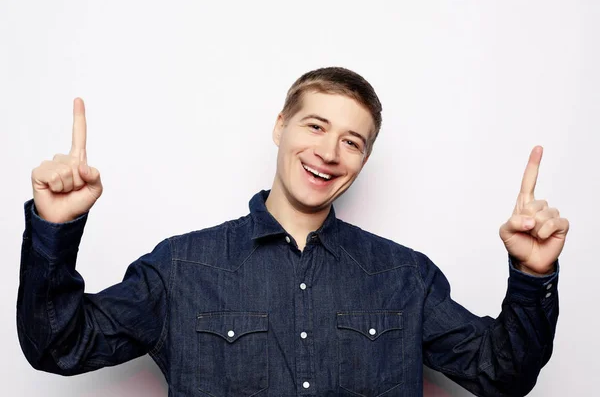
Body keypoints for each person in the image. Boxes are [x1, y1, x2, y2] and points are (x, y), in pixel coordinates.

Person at [17, 67, 569, 396]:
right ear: (280, 127)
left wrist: (533, 273)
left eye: (352, 142)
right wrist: (54, 228)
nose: (329, 152)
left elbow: (503, 376)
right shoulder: (182, 267)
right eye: (316, 125)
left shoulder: (406, 277)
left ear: (363, 160)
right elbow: (58, 346)